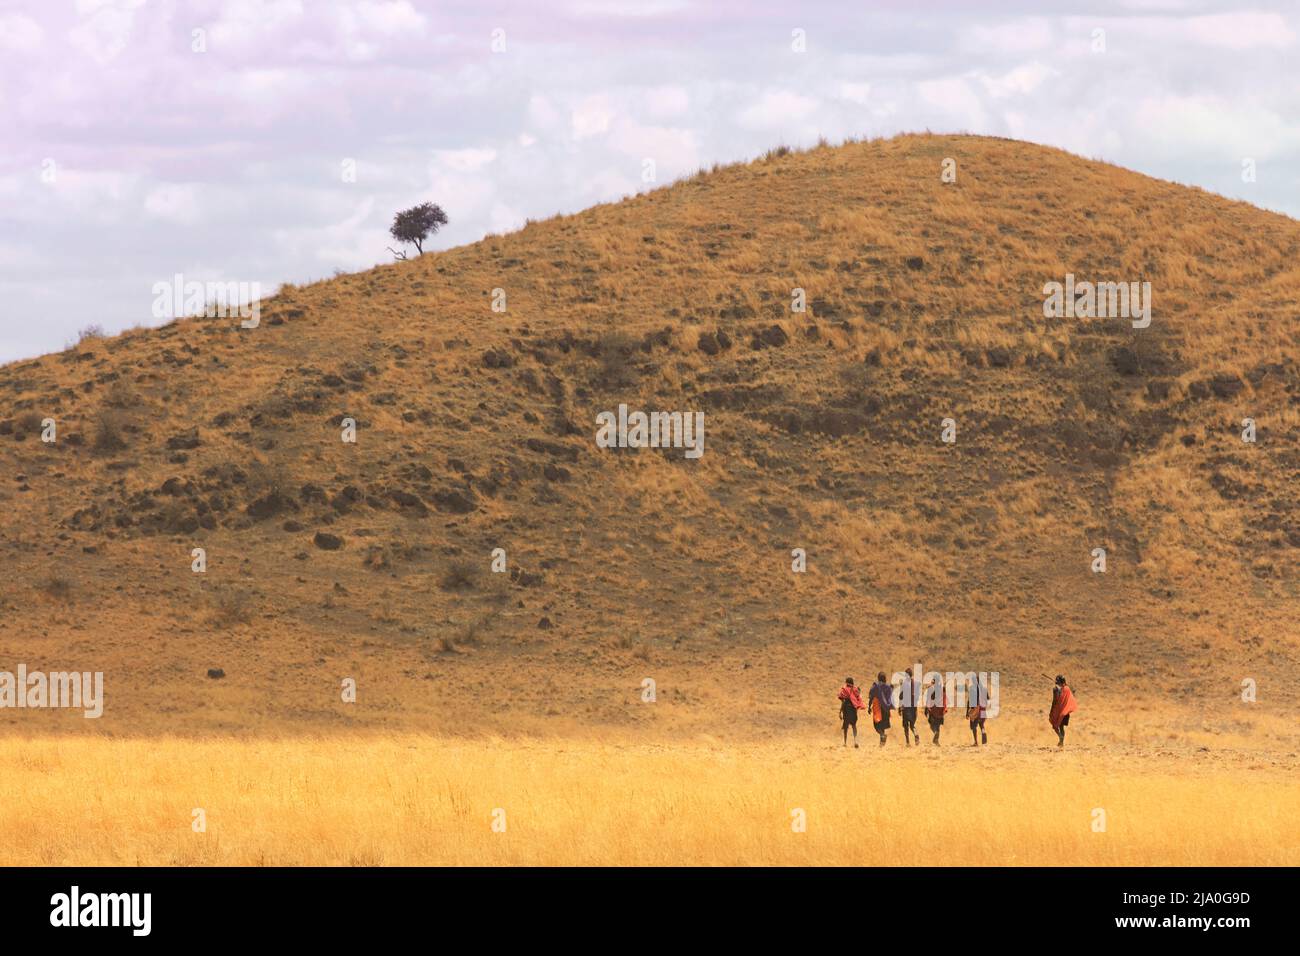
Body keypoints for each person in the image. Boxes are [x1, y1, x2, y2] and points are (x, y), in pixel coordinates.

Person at [1049, 675, 1077, 748]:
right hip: (1066, 711)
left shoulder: (1056, 689)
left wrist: (1052, 710)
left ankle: (1060, 738)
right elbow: (1072, 693)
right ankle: (1061, 742)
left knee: (1055, 724)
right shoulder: (1067, 688)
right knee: (1061, 727)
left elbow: (1055, 700)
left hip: (1059, 711)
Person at [869, 671, 894, 747]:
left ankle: (882, 736)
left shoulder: (876, 686)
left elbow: (871, 697)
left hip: (878, 709)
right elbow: (890, 697)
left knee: (876, 726)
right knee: (882, 726)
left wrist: (869, 706)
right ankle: (881, 744)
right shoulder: (888, 687)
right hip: (886, 709)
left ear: (878, 678)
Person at [838, 677, 864, 748]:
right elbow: (858, 697)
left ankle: (845, 742)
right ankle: (856, 741)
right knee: (854, 726)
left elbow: (842, 701)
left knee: (845, 727)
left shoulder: (844, 690)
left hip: (846, 709)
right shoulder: (855, 689)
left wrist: (840, 712)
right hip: (853, 710)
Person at [898, 667, 921, 747]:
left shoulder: (904, 684)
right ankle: (916, 734)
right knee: (912, 725)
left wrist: (899, 708)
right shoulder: (916, 683)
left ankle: (908, 742)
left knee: (905, 725)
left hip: (906, 708)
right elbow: (918, 697)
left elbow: (900, 697)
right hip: (914, 708)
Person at [965, 674, 989, 746]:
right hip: (983, 709)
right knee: (981, 725)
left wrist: (967, 712)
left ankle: (976, 742)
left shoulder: (972, 688)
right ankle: (984, 734)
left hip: (975, 709)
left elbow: (969, 701)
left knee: (973, 726)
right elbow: (988, 698)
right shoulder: (984, 688)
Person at [924, 675, 947, 745]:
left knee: (932, 725)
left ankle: (935, 734)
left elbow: (929, 699)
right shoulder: (942, 688)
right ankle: (936, 740)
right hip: (940, 710)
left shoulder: (931, 688)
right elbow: (944, 698)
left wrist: (926, 708)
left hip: (933, 710)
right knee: (938, 726)